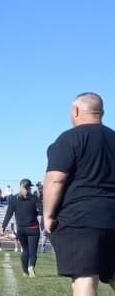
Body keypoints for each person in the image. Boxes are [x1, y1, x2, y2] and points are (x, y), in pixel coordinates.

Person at [44, 92, 115, 295]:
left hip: (81, 219)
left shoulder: (69, 138)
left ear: (76, 110)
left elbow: (55, 179)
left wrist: (48, 216)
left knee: (84, 278)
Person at [4, 179, 43, 278]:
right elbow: (42, 211)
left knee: (25, 250)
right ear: (28, 187)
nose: (29, 189)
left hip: (21, 229)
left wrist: (3, 226)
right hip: (33, 229)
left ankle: (25, 272)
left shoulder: (14, 199)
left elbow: (9, 213)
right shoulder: (34, 198)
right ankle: (31, 266)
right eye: (29, 187)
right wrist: (35, 212)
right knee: (33, 251)